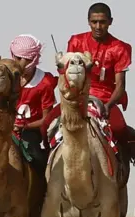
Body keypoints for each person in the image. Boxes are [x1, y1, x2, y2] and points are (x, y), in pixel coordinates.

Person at [0, 34, 57, 172]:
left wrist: (24, 126)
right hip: (0, 126)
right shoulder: (1, 76)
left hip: (28, 130)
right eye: (15, 57)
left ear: (33, 59)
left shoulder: (45, 82)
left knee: (37, 157)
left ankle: (43, 190)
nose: (17, 62)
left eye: (21, 59)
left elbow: (46, 118)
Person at [66, 2, 132, 150]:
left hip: (106, 99)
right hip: (79, 98)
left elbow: (120, 86)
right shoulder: (76, 41)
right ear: (88, 21)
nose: (97, 26)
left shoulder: (120, 48)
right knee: (47, 125)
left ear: (110, 22)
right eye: (94, 22)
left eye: (102, 22)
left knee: (120, 128)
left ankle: (121, 166)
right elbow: (68, 77)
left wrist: (108, 106)